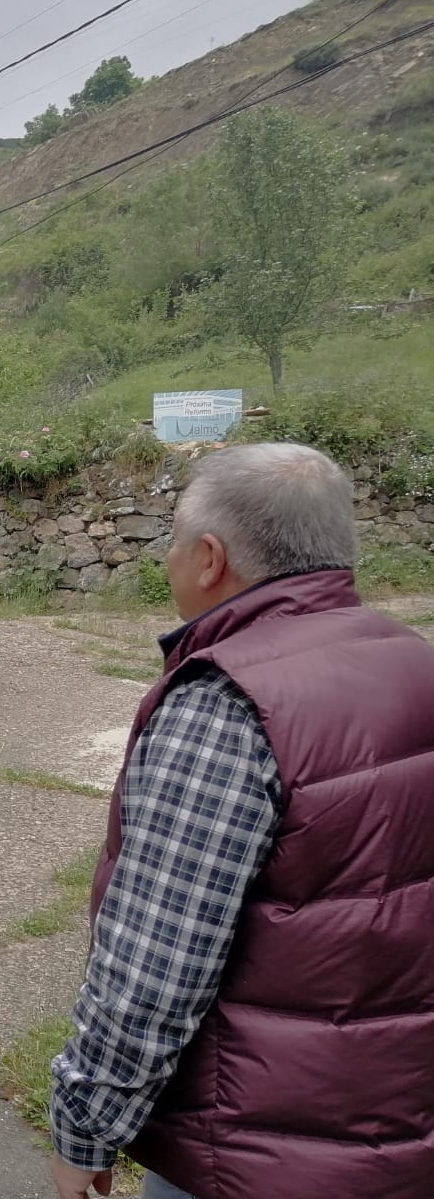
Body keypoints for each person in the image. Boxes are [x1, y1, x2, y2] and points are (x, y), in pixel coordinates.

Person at [47, 443, 434, 1199]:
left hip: (252, 1145)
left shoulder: (225, 704)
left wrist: (85, 1122)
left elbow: (155, 966)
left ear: (209, 558)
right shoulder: (410, 660)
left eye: (171, 544)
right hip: (396, 1119)